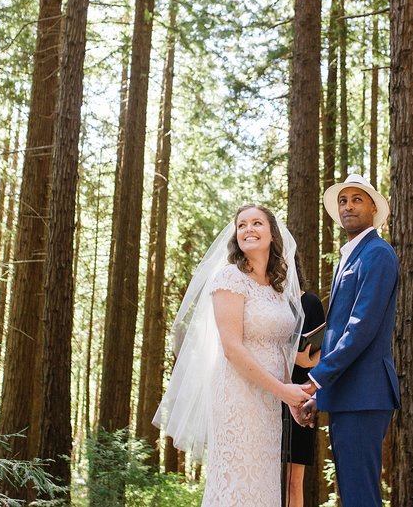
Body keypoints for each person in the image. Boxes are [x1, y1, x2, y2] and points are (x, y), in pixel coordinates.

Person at [153, 204, 308, 507]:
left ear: (273, 234)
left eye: (257, 223)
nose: (248, 229)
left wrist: (291, 399)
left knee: (262, 481)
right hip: (237, 395)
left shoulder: (277, 286)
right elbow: (232, 349)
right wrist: (283, 392)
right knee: (237, 480)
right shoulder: (230, 278)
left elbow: (279, 346)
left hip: (269, 401)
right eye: (242, 225)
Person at [298, 174, 400, 507]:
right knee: (353, 493)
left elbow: (360, 328)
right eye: (343, 201)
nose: (348, 206)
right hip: (348, 395)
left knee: (360, 496)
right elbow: (339, 329)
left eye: (357, 199)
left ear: (374, 207)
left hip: (365, 394)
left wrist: (315, 380)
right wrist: (323, 395)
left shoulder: (378, 254)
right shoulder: (350, 256)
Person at [283, 283, 325, 507]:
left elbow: (325, 352)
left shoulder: (311, 303)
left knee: (293, 481)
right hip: (265, 393)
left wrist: (306, 361)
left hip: (300, 397)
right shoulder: (265, 301)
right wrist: (292, 356)